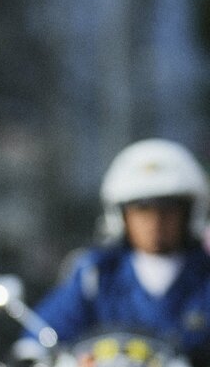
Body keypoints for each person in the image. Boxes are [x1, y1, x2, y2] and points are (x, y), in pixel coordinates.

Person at [24, 138, 210, 353]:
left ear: (189, 214)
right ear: (120, 216)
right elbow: (49, 328)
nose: (155, 223)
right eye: (142, 210)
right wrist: (29, 352)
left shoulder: (204, 277)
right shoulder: (96, 274)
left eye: (168, 210)